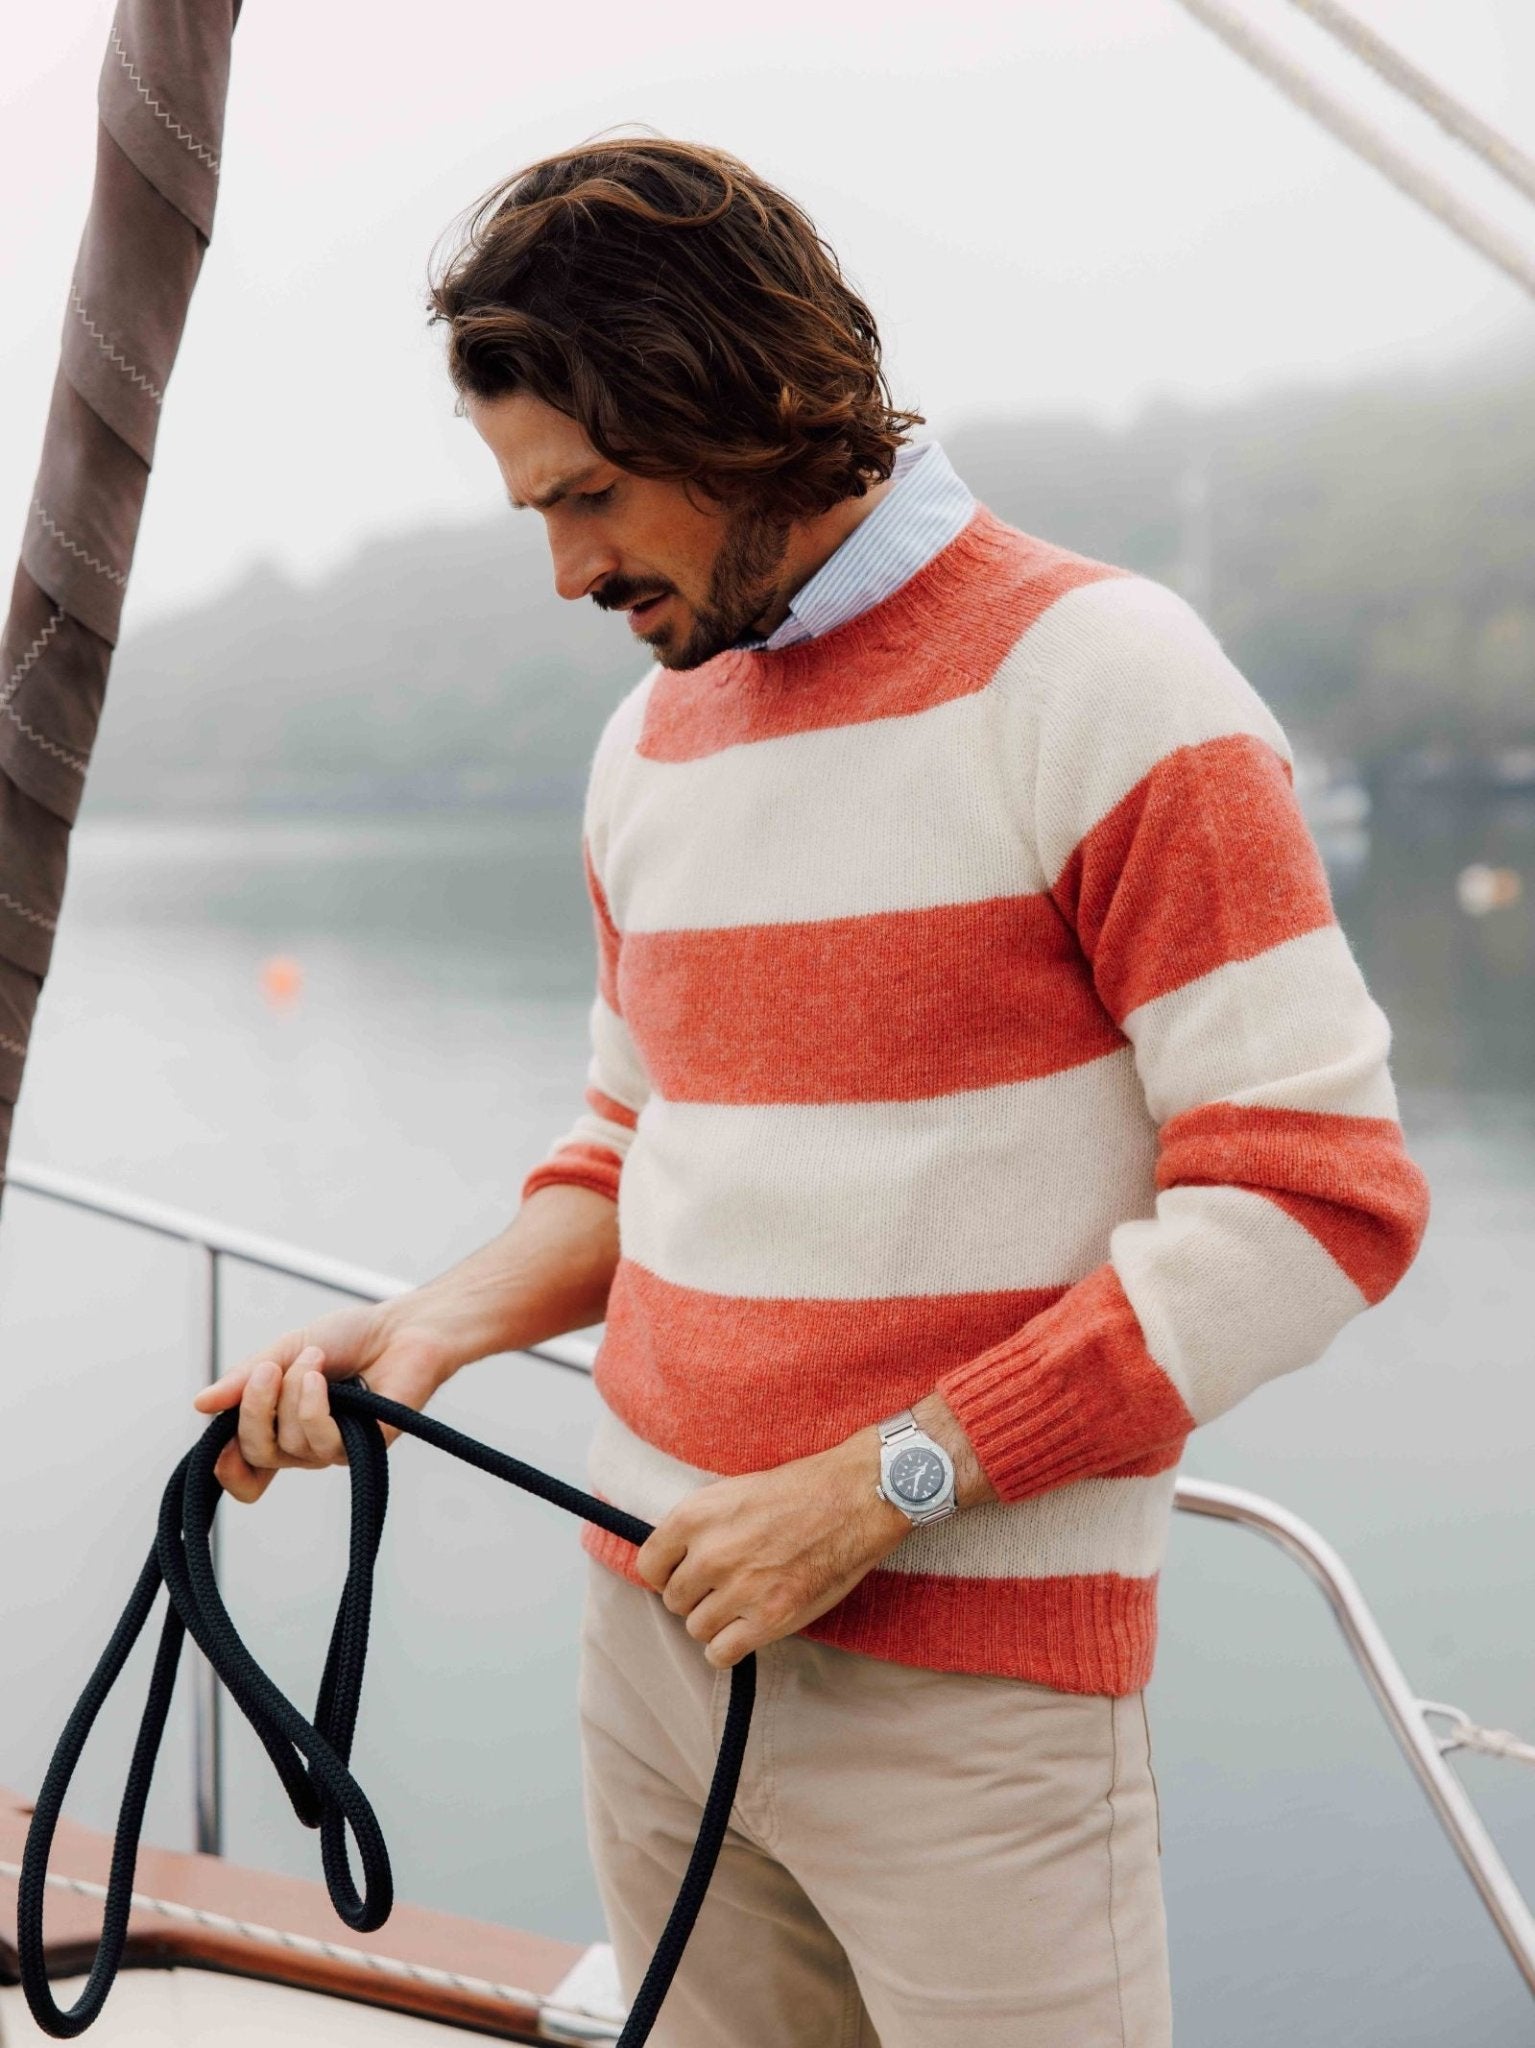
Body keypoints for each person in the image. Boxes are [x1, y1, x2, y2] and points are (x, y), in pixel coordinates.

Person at [193, 138, 1431, 2046]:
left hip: (980, 1716)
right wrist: (430, 1332)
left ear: (749, 407)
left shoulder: (1107, 680)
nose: (566, 568)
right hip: (654, 1653)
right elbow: (632, 1143)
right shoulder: (647, 739)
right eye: (535, 507)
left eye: (592, 495)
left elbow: (1320, 1200)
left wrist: (877, 1489)